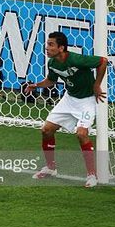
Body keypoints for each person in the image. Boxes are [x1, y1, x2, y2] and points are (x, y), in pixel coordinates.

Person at [25, 31, 107, 187]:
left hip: (87, 100)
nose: (46, 47)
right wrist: (36, 85)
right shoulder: (53, 63)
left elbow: (103, 61)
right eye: (47, 44)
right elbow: (51, 80)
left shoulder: (76, 59)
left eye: (51, 44)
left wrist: (96, 85)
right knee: (46, 130)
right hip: (69, 99)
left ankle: (92, 175)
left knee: (81, 134)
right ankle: (50, 168)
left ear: (61, 48)